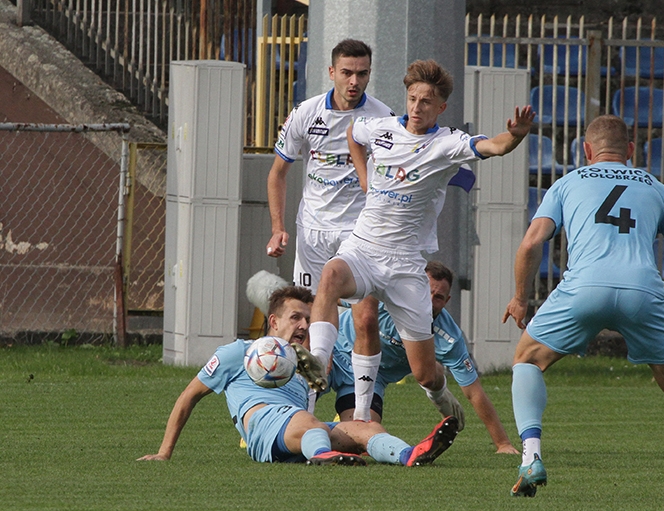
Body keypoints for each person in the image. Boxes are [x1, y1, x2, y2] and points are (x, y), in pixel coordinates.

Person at [502, 115, 664, 501]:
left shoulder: (568, 182)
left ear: (587, 151)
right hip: (642, 291)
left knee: (527, 360)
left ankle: (531, 457)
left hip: (585, 286)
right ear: (631, 152)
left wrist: (521, 297)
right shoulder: (656, 187)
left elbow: (530, 243)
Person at [307, 59, 535, 424]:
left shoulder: (448, 143)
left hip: (404, 264)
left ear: (440, 107)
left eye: (426, 101)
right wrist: (364, 177)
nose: (416, 107)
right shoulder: (380, 127)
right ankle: (319, 367)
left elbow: (493, 146)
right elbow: (354, 133)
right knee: (332, 277)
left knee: (425, 372)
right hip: (362, 248)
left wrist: (517, 135)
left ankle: (441, 397)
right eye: (412, 98)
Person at [138, 286, 459, 467]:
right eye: (296, 318)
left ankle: (410, 454)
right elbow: (188, 397)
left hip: (300, 431)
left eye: (309, 318)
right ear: (273, 321)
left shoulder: (310, 362)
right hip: (264, 429)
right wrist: (165, 451)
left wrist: (358, 420)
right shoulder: (239, 353)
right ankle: (323, 456)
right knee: (309, 422)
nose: (305, 325)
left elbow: (348, 398)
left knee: (364, 428)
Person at [266, 38, 393, 420]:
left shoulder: (381, 117)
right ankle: (284, 408)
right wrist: (277, 228)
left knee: (364, 319)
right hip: (314, 235)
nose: (355, 81)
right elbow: (278, 173)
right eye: (348, 72)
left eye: (363, 73)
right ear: (332, 72)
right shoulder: (305, 114)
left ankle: (360, 413)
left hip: (359, 233)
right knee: (299, 322)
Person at [328, 260, 519, 454]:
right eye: (426, 291)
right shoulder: (385, 298)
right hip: (333, 355)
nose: (429, 301)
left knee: (361, 437)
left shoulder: (449, 338)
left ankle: (436, 392)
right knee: (299, 404)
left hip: (372, 379)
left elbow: (474, 392)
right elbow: (328, 295)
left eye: (438, 297)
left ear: (447, 301)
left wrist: (503, 444)